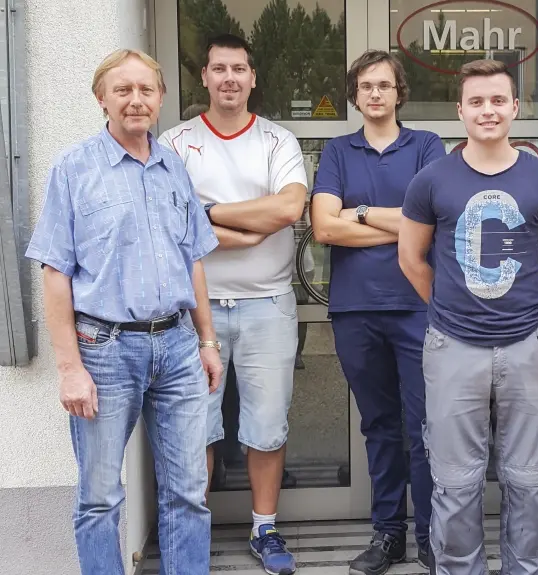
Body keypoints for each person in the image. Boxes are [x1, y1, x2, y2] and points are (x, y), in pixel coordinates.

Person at [25, 49, 223, 575]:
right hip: (104, 351)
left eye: (145, 90)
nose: (136, 100)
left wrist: (207, 341)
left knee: (188, 493)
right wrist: (69, 368)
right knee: (99, 498)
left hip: (178, 348)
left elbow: (193, 261)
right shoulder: (74, 168)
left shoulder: (173, 167)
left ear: (160, 98)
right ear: (102, 99)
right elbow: (55, 273)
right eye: (123, 90)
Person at [398, 59, 538, 575]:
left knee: (529, 479)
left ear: (516, 107)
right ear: (460, 110)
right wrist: (451, 305)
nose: (488, 111)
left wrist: (523, 304)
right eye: (476, 101)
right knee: (455, 483)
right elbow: (411, 259)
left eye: (498, 100)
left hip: (527, 346)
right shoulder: (431, 180)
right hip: (452, 345)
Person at [158, 33, 307, 575]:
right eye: (218, 68)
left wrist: (208, 214)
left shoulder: (277, 140)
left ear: (252, 77)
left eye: (238, 69)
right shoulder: (175, 142)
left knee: (267, 425)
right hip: (195, 310)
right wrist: (247, 225)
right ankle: (191, 534)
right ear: (203, 76)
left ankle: (265, 528)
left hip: (269, 304)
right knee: (195, 426)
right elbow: (171, 221)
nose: (229, 78)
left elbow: (289, 209)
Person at [310, 49, 445, 575]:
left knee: (425, 425)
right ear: (355, 94)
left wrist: (360, 212)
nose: (374, 93)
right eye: (365, 86)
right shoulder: (338, 151)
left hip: (417, 307)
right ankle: (388, 535)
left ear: (398, 92)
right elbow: (325, 227)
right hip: (356, 310)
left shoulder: (426, 145)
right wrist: (402, 225)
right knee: (381, 426)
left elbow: (432, 220)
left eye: (383, 85)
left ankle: (431, 537)